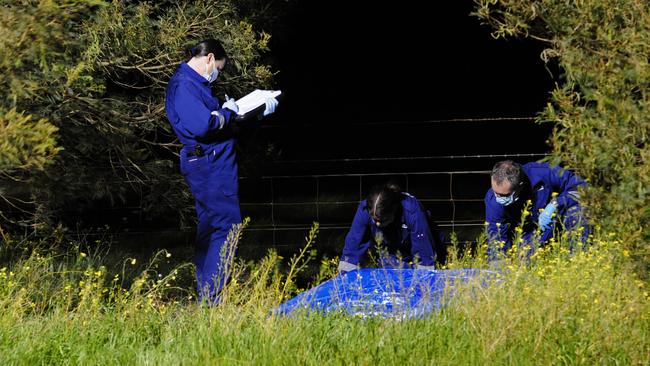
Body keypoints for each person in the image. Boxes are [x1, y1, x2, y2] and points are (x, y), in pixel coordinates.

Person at [165, 39, 279, 302]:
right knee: (226, 228)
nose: (217, 74)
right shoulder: (185, 85)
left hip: (211, 162)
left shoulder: (195, 85)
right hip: (209, 165)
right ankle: (213, 298)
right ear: (209, 58)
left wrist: (255, 115)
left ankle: (208, 295)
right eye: (218, 67)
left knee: (210, 227)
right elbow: (206, 125)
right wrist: (227, 112)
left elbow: (219, 125)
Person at [485, 160, 590, 259]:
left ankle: (579, 256)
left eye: (505, 195)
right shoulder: (493, 200)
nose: (499, 198)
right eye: (496, 192)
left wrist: (557, 203)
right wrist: (498, 265)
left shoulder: (541, 173)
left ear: (520, 186)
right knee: (526, 261)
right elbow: (496, 235)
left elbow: (582, 187)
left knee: (577, 212)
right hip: (532, 234)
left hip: (559, 220)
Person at [338, 183, 446, 273]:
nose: (378, 225)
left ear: (394, 209)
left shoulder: (412, 211)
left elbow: (424, 253)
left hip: (425, 245)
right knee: (390, 273)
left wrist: (425, 282)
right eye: (374, 220)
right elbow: (353, 246)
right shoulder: (365, 209)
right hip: (391, 251)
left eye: (382, 220)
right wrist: (343, 280)